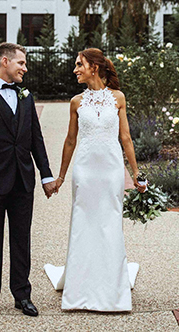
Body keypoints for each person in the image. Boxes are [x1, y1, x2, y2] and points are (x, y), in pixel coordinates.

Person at [44, 47, 145, 312]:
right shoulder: (76, 102)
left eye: (80, 64)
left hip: (111, 171)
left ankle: (112, 289)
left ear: (94, 67)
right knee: (84, 224)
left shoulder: (118, 98)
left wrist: (137, 174)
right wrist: (61, 176)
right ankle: (80, 289)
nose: (75, 69)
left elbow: (125, 138)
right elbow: (70, 140)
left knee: (110, 223)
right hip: (85, 172)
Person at [0, 42, 59, 319]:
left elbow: (35, 139)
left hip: (22, 181)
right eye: (21, 63)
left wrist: (46, 175)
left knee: (22, 240)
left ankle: (22, 294)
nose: (25, 68)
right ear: (4, 61)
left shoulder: (26, 96)